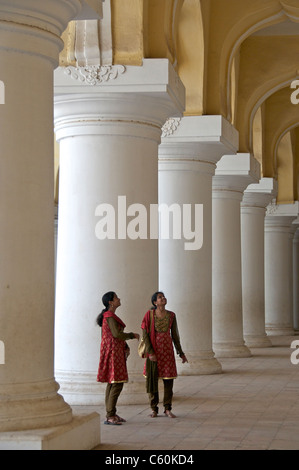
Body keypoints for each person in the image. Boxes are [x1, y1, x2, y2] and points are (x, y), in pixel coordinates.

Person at [141, 291, 188, 418]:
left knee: (168, 380)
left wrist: (181, 353)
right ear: (155, 302)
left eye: (163, 297)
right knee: (152, 380)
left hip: (167, 351)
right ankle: (154, 408)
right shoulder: (149, 315)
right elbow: (145, 334)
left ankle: (167, 408)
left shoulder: (171, 315)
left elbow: (175, 335)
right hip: (154, 351)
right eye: (160, 297)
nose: (163, 298)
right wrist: (150, 352)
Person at [96, 291, 140, 425]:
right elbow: (116, 334)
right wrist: (132, 335)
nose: (119, 299)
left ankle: (111, 413)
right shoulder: (109, 316)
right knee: (116, 382)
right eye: (116, 298)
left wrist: (125, 344)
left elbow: (114, 334)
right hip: (113, 351)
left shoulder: (109, 316)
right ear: (110, 302)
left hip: (112, 349)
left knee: (113, 382)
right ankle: (110, 415)